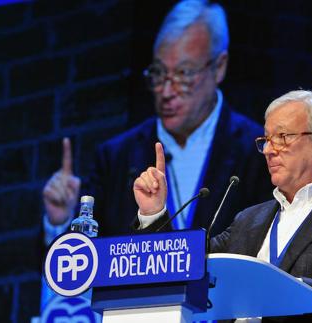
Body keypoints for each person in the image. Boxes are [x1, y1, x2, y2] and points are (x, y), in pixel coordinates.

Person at [133, 90, 312, 323]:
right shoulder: (248, 220)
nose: (270, 150)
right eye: (266, 140)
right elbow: (178, 263)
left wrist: (300, 293)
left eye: (283, 137)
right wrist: (154, 212)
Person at [42, 0, 272, 243]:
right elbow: (82, 260)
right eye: (159, 73)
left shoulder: (256, 151)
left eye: (184, 74)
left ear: (219, 67)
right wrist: (61, 222)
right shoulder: (116, 158)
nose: (166, 90)